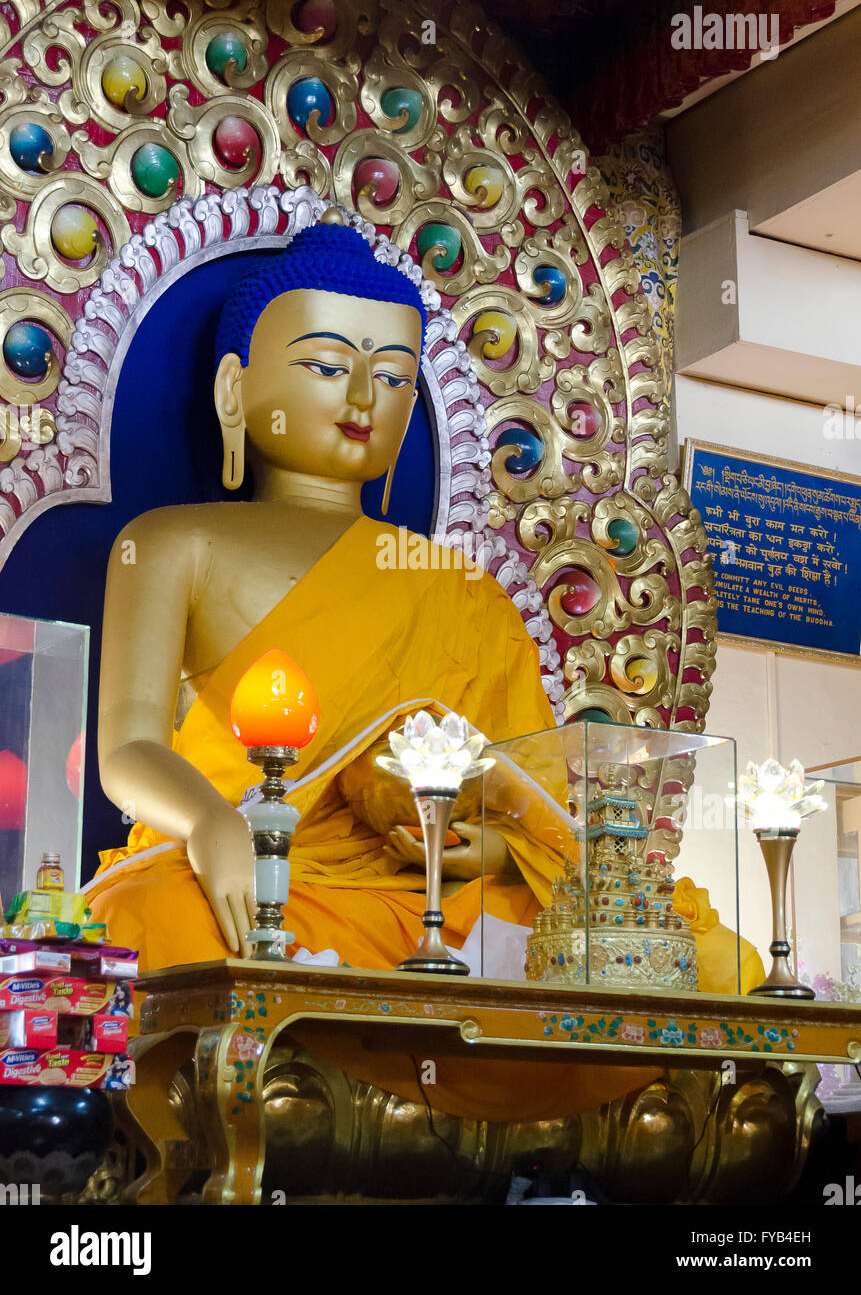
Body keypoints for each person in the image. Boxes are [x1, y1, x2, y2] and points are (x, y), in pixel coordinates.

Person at [85, 217, 760, 1121]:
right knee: (147, 921)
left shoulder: (455, 588)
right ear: (234, 390)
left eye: (395, 376)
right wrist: (211, 825)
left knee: (690, 956)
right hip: (253, 874)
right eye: (327, 366)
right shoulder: (173, 542)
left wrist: (487, 844)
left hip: (426, 897)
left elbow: (528, 784)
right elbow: (126, 751)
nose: (364, 393)